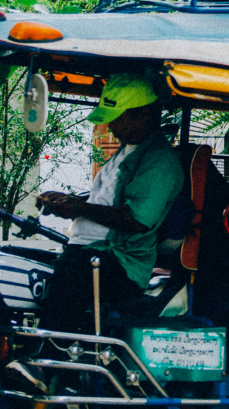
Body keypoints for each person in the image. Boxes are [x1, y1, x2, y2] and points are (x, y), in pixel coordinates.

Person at [35, 75, 185, 332]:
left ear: (144, 115)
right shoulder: (128, 149)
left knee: (69, 275)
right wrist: (69, 202)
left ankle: (49, 355)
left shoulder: (159, 162)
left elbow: (137, 220)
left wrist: (80, 208)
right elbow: (106, 201)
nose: (110, 126)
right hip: (90, 250)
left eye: (117, 118)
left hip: (120, 264)